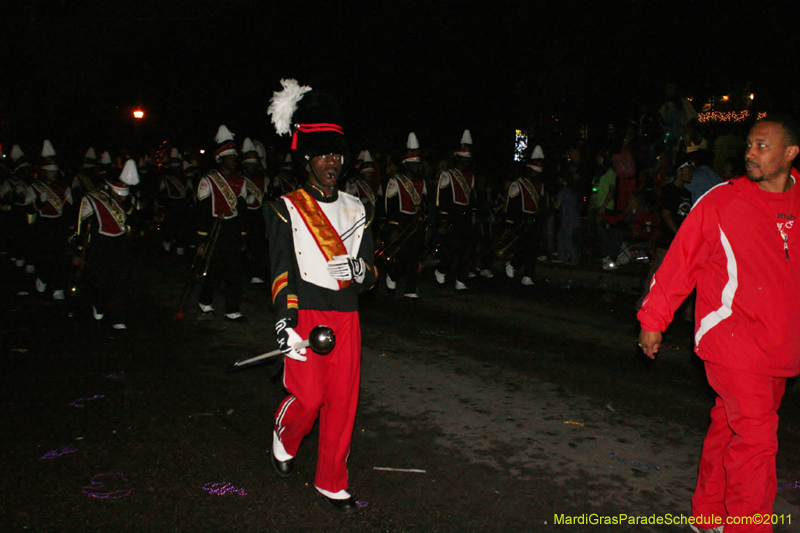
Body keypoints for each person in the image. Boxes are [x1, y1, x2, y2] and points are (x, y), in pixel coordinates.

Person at [638, 114, 800, 532]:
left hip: (781, 344)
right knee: (756, 439)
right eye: (749, 144)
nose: (749, 153)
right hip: (732, 340)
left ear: (790, 153)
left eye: (762, 146)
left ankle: (708, 513)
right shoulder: (722, 201)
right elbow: (679, 263)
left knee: (729, 426)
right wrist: (653, 319)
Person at [265, 79, 377, 515]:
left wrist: (359, 270)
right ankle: (284, 435)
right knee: (308, 400)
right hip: (305, 315)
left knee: (343, 404)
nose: (334, 162)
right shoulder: (283, 208)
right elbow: (280, 274)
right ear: (307, 158)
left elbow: (371, 275)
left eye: (338, 154)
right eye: (325, 154)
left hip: (347, 318)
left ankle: (332, 480)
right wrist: (284, 322)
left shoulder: (357, 208)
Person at [75, 158, 140, 329]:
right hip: (100, 245)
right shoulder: (92, 199)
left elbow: (135, 222)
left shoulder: (128, 200)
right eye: (118, 194)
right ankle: (98, 306)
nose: (120, 197)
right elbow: (82, 226)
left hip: (121, 244)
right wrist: (78, 250)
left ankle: (119, 317)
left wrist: (131, 209)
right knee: (101, 282)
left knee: (122, 281)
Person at [195, 126, 249, 322]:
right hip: (215, 229)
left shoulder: (240, 182)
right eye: (231, 158)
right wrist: (202, 239)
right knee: (214, 269)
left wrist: (243, 235)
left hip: (233, 230)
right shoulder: (208, 180)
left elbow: (242, 210)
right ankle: (205, 301)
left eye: (235, 158)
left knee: (235, 271)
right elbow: (202, 211)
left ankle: (232, 309)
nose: (235, 161)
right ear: (221, 160)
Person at [382, 133, 427, 298]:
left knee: (414, 256)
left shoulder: (421, 181)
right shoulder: (396, 181)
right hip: (401, 221)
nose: (416, 167)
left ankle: (410, 288)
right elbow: (390, 205)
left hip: (416, 221)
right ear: (406, 165)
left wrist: (423, 213)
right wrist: (393, 226)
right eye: (412, 164)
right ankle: (393, 275)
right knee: (401, 256)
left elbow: (424, 200)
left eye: (418, 164)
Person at [31, 140, 74, 300]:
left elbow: (69, 209)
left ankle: (58, 287)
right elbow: (28, 209)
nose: (53, 173)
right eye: (50, 171)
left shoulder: (64, 187)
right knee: (44, 255)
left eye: (54, 171)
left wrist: (69, 227)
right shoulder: (35, 187)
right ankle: (42, 277)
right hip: (43, 225)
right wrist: (38, 202)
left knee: (60, 257)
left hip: (59, 225)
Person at [433, 129, 476, 290]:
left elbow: (469, 197)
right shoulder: (448, 174)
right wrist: (443, 219)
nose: (466, 162)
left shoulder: (470, 176)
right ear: (457, 158)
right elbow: (442, 199)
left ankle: (460, 279)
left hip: (464, 215)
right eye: (463, 159)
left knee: (466, 248)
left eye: (468, 159)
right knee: (451, 248)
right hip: (451, 215)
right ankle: (442, 269)